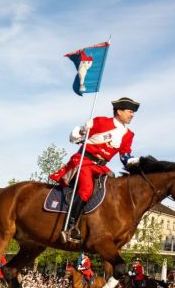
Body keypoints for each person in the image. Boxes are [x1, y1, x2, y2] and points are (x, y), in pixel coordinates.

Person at [49, 97, 140, 243]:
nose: (132, 115)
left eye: (133, 112)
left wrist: (134, 163)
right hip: (84, 160)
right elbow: (75, 138)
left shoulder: (128, 135)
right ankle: (71, 227)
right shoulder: (100, 122)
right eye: (130, 111)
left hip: (101, 167)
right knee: (87, 188)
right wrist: (81, 131)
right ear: (119, 111)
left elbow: (125, 155)